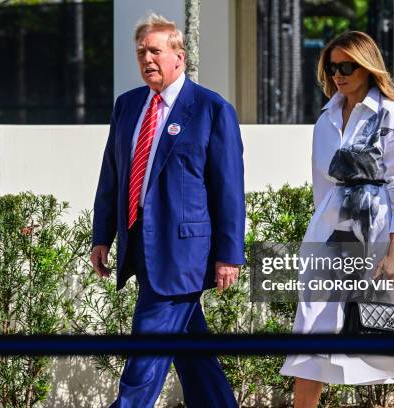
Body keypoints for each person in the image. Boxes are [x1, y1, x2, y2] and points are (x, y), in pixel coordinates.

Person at [280, 31, 394, 408]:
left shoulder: (391, 114)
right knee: (312, 330)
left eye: (346, 66)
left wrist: (393, 252)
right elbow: (321, 186)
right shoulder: (325, 120)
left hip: (381, 233)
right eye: (332, 66)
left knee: (389, 324)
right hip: (331, 236)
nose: (338, 74)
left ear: (367, 66)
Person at [90, 12, 244, 408]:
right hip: (140, 244)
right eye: (141, 52)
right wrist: (101, 236)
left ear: (179, 55)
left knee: (147, 352)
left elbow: (228, 188)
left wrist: (229, 254)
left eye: (156, 51)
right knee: (194, 353)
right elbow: (113, 176)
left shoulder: (211, 108)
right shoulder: (127, 107)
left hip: (184, 253)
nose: (147, 59)